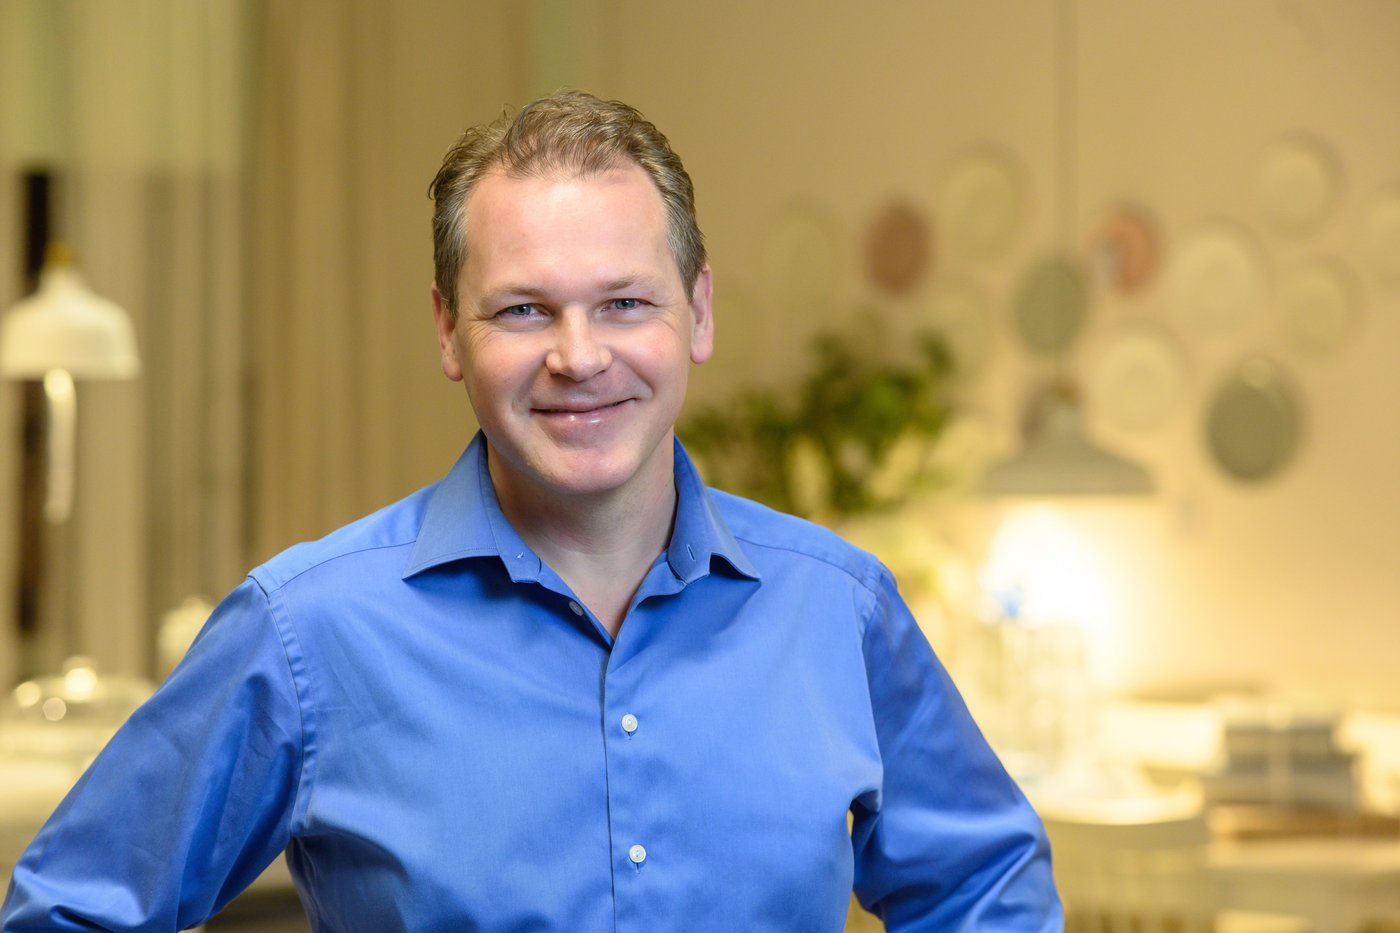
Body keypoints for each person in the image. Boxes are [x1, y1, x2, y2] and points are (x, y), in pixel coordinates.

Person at [3, 91, 1059, 931]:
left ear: (694, 312)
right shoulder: (304, 633)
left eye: (623, 302)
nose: (579, 357)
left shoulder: (839, 610)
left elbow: (985, 889)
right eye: (522, 309)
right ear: (448, 333)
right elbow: (67, 912)